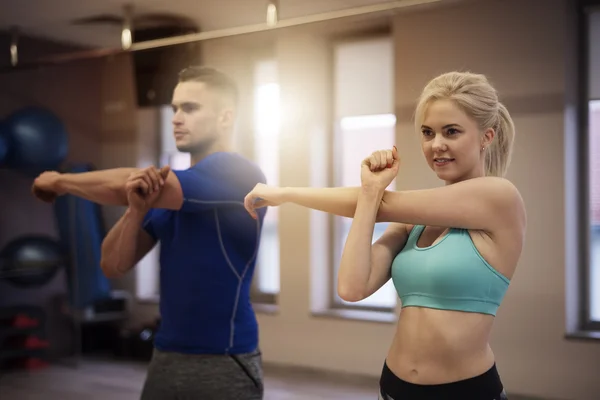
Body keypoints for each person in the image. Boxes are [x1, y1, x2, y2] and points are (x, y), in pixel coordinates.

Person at [244, 71, 526, 400]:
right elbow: (352, 286)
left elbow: (388, 204)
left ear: (486, 136)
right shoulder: (413, 223)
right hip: (393, 388)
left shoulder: (500, 198)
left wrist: (286, 192)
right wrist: (370, 190)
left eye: (451, 131)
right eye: (427, 132)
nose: (436, 144)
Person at [32, 66, 267, 400]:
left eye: (190, 108)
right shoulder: (170, 191)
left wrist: (60, 181)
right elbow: (113, 265)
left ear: (225, 118)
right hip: (166, 355)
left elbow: (135, 180)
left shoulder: (238, 172)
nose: (176, 118)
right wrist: (135, 210)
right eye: (174, 109)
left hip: (224, 360)